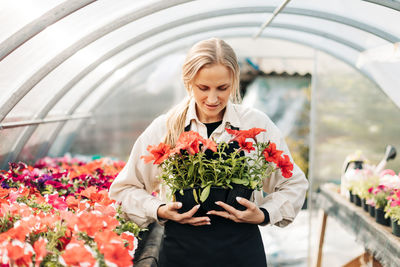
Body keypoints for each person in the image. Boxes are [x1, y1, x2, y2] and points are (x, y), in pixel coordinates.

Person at [109, 37, 308, 267]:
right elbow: (124, 190)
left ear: (233, 82)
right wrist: (161, 209)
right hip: (181, 256)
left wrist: (263, 214)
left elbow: (294, 184)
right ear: (188, 82)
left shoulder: (255, 124)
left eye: (222, 88)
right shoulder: (166, 128)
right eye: (203, 88)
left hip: (242, 255)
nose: (212, 99)